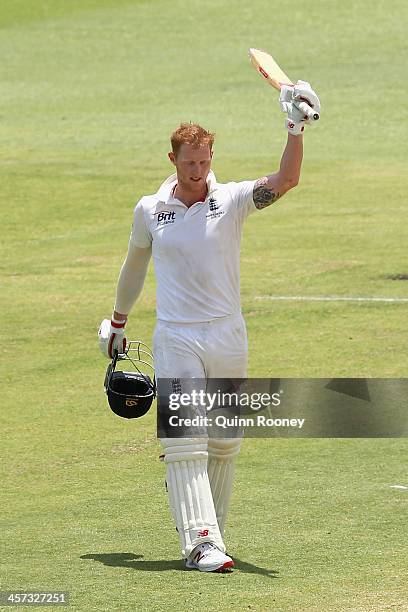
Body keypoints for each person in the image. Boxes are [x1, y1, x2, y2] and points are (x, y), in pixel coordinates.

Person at [99, 81, 320, 572]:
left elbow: (285, 179)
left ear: (211, 156)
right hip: (176, 335)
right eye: (188, 163)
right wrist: (117, 320)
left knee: (223, 441)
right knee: (185, 440)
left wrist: (296, 128)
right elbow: (134, 267)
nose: (198, 172)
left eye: (204, 161)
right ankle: (200, 543)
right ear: (172, 159)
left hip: (227, 334)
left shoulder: (233, 200)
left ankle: (211, 533)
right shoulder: (151, 210)